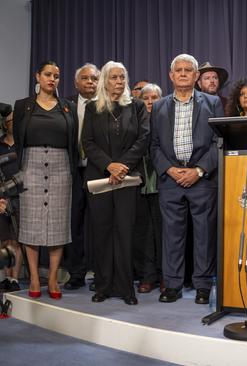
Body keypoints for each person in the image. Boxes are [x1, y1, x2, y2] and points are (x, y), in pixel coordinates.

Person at [150, 54, 222, 304]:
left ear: (196, 76)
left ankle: (203, 286)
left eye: (187, 70)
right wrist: (169, 169)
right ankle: (172, 285)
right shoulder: (159, 106)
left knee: (204, 235)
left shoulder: (212, 103)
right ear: (171, 76)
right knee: (172, 235)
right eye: (178, 70)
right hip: (170, 179)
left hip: (201, 179)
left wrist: (199, 171)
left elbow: (218, 142)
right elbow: (154, 145)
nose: (182, 74)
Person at [82, 61, 149, 305]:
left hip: (127, 180)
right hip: (100, 179)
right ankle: (103, 286)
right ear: (104, 81)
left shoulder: (138, 106)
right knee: (101, 233)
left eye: (122, 77)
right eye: (114, 78)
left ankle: (125, 289)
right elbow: (87, 142)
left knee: (125, 233)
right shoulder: (92, 108)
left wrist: (121, 167)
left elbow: (143, 139)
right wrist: (109, 165)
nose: (119, 82)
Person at [13, 61, 79, 299]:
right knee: (30, 223)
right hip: (30, 164)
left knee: (58, 224)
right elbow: (19, 140)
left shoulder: (67, 107)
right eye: (48, 74)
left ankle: (52, 278)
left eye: (57, 76)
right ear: (38, 77)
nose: (53, 79)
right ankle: (32, 276)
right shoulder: (23, 106)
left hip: (61, 166)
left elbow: (73, 143)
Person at [63, 63, 100, 291]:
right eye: (85, 79)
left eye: (94, 79)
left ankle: (99, 273)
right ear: (77, 83)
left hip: (97, 170)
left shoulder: (105, 105)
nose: (90, 82)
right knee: (73, 224)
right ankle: (75, 273)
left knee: (99, 224)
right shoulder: (65, 105)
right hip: (72, 171)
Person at [134, 82, 163, 293]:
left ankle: (164, 276)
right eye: (146, 98)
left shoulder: (165, 120)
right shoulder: (134, 121)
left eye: (154, 97)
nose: (150, 101)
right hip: (140, 184)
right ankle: (147, 276)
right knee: (143, 234)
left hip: (162, 184)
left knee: (163, 234)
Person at [0, 111, 22, 292]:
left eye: (16, 120)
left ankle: (15, 279)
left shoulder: (24, 144)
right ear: (4, 124)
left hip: (21, 195)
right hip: (2, 197)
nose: (12, 123)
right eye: (9, 121)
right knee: (4, 241)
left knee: (17, 241)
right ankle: (6, 277)